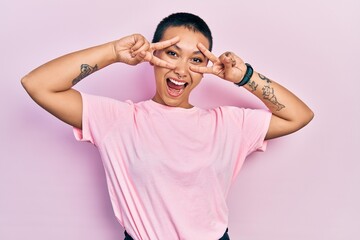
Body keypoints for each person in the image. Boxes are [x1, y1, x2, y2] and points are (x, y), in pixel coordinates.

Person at [21, 12, 313, 240]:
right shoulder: (118, 118)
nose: (181, 70)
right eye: (172, 53)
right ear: (153, 56)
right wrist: (113, 51)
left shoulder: (228, 124)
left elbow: (299, 115)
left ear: (204, 70)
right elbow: (38, 84)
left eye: (196, 59)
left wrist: (244, 76)